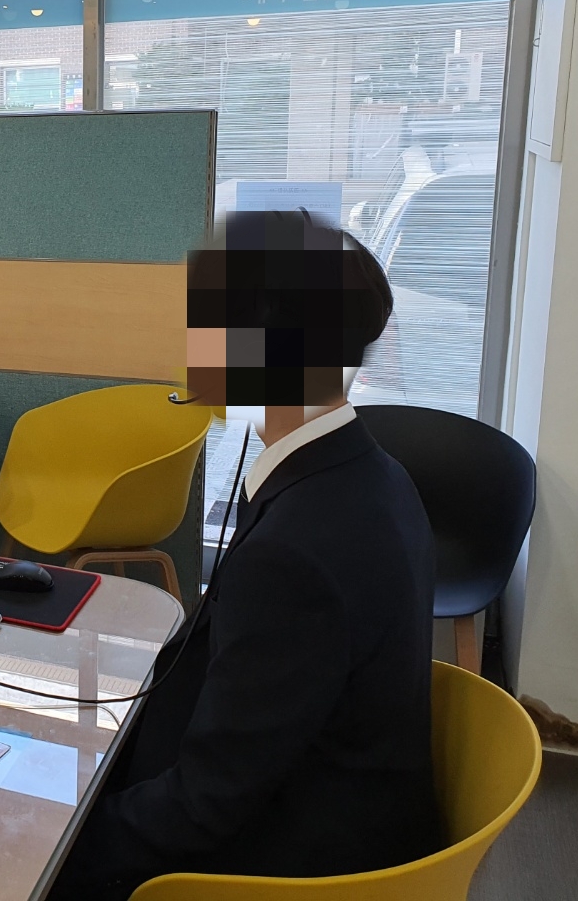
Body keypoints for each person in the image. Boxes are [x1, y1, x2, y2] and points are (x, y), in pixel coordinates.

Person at [49, 210, 441, 899]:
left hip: (295, 861)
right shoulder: (372, 475)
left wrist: (44, 844)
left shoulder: (294, 555)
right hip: (343, 794)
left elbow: (204, 808)